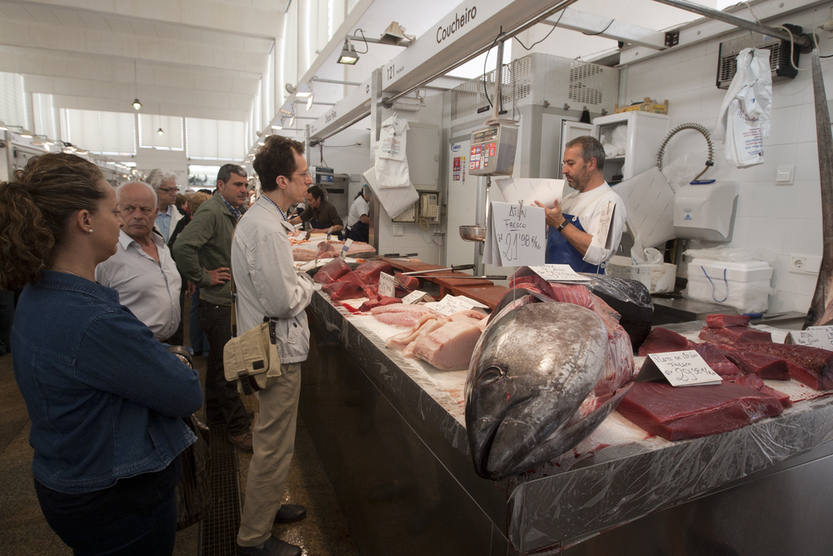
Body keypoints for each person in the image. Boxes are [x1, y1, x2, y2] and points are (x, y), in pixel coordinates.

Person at [0, 153, 202, 555]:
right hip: (115, 494)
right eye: (114, 210)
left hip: (69, 475)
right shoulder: (93, 319)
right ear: (85, 221)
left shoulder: (39, 293)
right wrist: (172, 363)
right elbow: (186, 392)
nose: (122, 220)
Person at [231, 135, 315, 556]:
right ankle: (254, 539)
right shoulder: (265, 229)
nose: (308, 181)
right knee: (273, 443)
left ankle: (267, 508)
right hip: (276, 352)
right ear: (282, 180)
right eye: (302, 175)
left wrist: (293, 276)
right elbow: (282, 301)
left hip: (268, 346)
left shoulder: (266, 221)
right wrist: (308, 282)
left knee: (274, 439)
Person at [172, 164, 253, 452]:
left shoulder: (230, 212)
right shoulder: (212, 212)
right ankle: (238, 429)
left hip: (222, 301)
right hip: (216, 302)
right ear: (220, 186)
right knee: (228, 368)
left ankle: (217, 418)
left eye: (245, 184)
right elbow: (181, 247)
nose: (243, 189)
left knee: (220, 365)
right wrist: (204, 276)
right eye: (237, 185)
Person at [95, 181, 182, 343]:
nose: (137, 215)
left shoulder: (161, 245)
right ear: (117, 212)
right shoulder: (108, 254)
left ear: (155, 213)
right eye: (129, 209)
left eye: (145, 209)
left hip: (168, 343)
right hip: (131, 345)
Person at [535, 136, 626, 273]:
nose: (564, 170)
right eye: (564, 163)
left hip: (585, 291)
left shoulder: (609, 202)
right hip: (554, 287)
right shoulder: (568, 200)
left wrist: (561, 223)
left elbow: (599, 252)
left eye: (570, 163)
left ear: (591, 164)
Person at [148, 169, 183, 243]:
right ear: (154, 189)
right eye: (169, 190)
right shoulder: (143, 215)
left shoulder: (182, 216)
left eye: (175, 189)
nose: (174, 194)